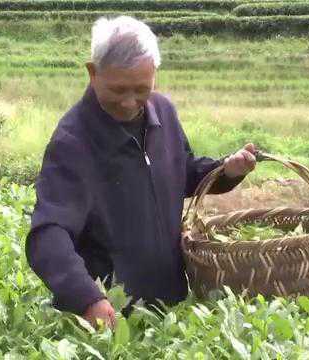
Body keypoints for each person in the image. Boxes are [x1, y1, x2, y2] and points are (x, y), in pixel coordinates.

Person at [25, 16, 256, 329]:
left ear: (155, 75)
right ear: (93, 73)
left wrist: (224, 171)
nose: (130, 102)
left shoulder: (163, 112)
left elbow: (180, 173)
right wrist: (87, 298)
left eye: (141, 89)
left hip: (170, 306)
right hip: (111, 318)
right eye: (118, 89)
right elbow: (48, 235)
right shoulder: (73, 141)